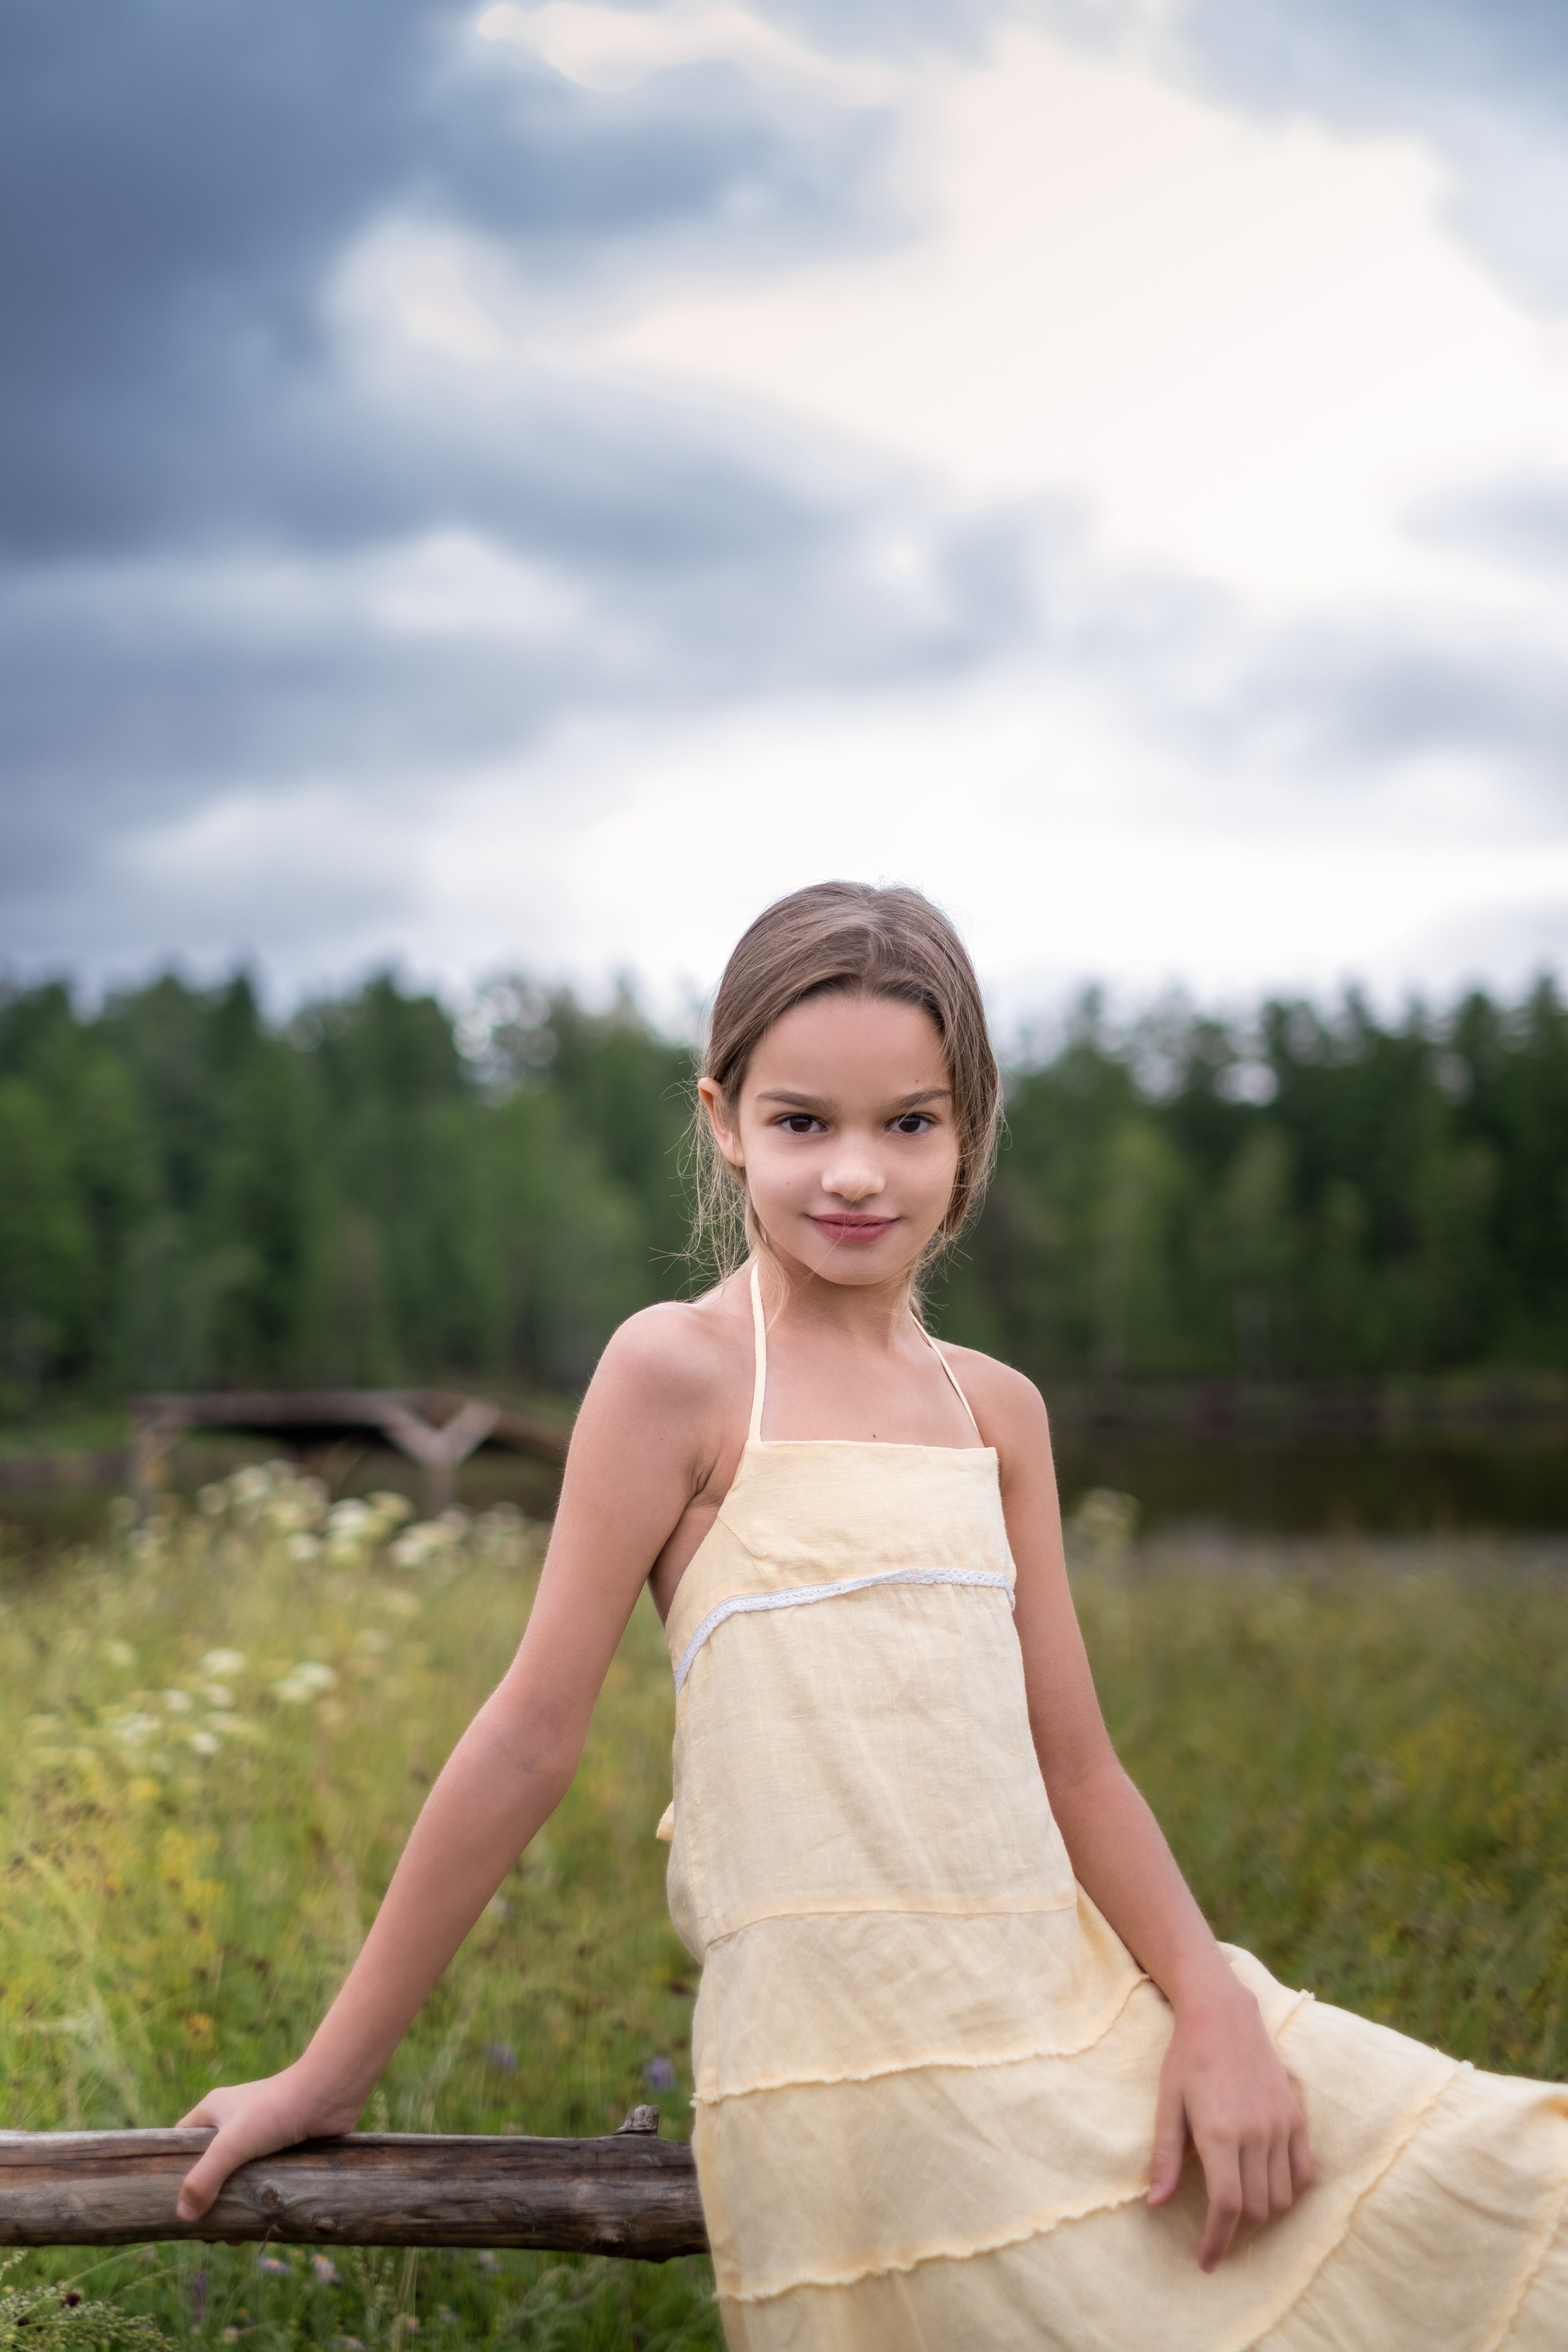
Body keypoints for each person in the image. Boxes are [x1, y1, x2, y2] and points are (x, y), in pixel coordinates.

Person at [178, 882, 1567, 2348]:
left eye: (907, 1123)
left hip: (1072, 2013)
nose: (855, 1173)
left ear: (970, 1127)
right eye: (800, 1124)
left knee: (1499, 2187)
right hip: (853, 2091)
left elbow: (1075, 1766)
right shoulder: (679, 1375)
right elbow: (529, 1735)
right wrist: (327, 2077)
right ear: (722, 1120)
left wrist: (1213, 2011)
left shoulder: (995, 1412)